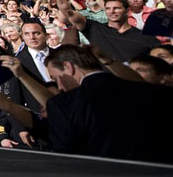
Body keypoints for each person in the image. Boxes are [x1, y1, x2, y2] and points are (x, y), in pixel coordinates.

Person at [43, 45, 173, 163]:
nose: (59, 86)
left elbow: (67, 160)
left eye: (56, 78)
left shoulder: (63, 104)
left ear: (68, 67)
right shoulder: (156, 93)